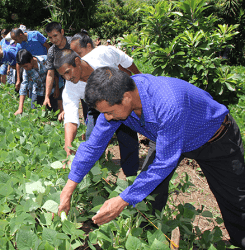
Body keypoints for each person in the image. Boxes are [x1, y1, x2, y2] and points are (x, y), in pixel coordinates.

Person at [59, 66, 245, 249]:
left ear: (126, 98)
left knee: (235, 200)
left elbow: (164, 162)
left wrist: (123, 199)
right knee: (149, 195)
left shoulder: (168, 104)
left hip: (214, 138)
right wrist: (68, 190)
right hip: (166, 137)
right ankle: (147, 240)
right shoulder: (115, 101)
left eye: (109, 112)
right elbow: (93, 147)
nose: (107, 118)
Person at [54, 45, 141, 177]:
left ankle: (132, 178)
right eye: (62, 75)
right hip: (96, 109)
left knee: (128, 139)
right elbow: (71, 119)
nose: (67, 78)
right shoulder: (71, 87)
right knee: (92, 144)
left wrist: (140, 77)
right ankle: (95, 177)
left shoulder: (102, 54)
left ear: (77, 61)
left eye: (67, 72)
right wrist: (68, 147)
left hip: (119, 102)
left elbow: (126, 61)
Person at [14, 49, 58, 115]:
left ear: (31, 60)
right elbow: (24, 85)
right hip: (38, 92)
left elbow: (56, 75)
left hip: (52, 91)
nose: (25, 68)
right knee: (35, 115)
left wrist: (57, 88)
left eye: (26, 66)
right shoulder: (26, 70)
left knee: (53, 114)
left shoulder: (46, 60)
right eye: (23, 67)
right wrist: (20, 108)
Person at [43, 22, 71, 120]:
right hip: (68, 83)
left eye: (55, 35)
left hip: (84, 81)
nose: (53, 40)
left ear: (62, 32)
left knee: (88, 110)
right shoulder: (51, 51)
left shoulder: (74, 43)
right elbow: (50, 74)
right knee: (70, 112)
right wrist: (47, 96)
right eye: (50, 37)